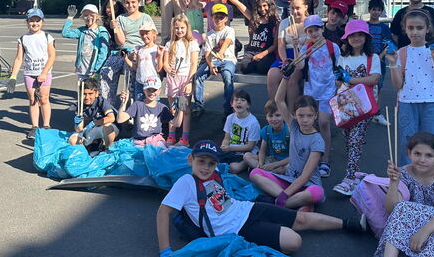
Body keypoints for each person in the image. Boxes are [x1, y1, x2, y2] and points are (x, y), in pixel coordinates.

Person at [156, 140, 364, 255]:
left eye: (211, 163)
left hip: (248, 208)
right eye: (201, 161)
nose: (206, 168)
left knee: (300, 220)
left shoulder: (215, 173)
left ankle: (349, 224)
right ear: (190, 159)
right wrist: (165, 250)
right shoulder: (185, 182)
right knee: (295, 241)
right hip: (237, 228)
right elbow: (163, 212)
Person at [249, 67, 325, 211]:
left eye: (309, 116)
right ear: (295, 114)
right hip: (289, 180)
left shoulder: (317, 141)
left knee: (317, 193)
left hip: (308, 183)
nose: (305, 120)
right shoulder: (294, 125)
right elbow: (278, 100)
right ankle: (294, 203)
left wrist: (284, 195)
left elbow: (304, 177)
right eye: (301, 115)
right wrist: (285, 77)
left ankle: (278, 203)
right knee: (255, 173)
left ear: (315, 116)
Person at [377, 132, 434, 257]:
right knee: (401, 208)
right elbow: (392, 210)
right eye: (417, 154)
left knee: (403, 208)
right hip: (411, 224)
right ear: (409, 153)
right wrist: (393, 182)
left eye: (429, 155)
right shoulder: (402, 173)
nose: (422, 160)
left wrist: (425, 230)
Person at [386, 9, 434, 164]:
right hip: (407, 103)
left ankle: (433, 179)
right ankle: (407, 181)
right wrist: (393, 64)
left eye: (419, 28)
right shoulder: (401, 52)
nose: (415, 32)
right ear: (405, 29)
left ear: (427, 29)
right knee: (407, 144)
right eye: (411, 28)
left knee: (433, 144)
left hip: (433, 103)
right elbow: (398, 85)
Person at [331, 20, 381, 196]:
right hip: (345, 105)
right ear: (347, 38)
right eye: (352, 35)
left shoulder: (372, 58)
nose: (356, 38)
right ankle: (355, 171)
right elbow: (339, 82)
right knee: (349, 140)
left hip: (364, 106)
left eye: (360, 34)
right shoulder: (343, 57)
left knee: (356, 139)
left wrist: (349, 79)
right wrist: (338, 78)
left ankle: (349, 178)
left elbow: (374, 79)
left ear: (366, 38)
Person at [297, 15, 341, 179]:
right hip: (310, 92)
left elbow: (338, 65)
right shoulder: (306, 48)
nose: (314, 33)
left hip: (328, 92)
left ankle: (325, 159)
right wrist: (296, 47)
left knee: (323, 123)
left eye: (316, 29)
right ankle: (311, 157)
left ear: (322, 29)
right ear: (307, 32)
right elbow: (300, 66)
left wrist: (337, 83)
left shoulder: (332, 47)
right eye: (310, 30)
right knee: (309, 125)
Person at [6, 8, 56, 139]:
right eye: (31, 21)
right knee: (33, 100)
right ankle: (34, 127)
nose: (35, 23)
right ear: (27, 22)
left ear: (42, 22)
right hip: (29, 74)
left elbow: (52, 56)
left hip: (44, 74)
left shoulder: (47, 37)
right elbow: (18, 59)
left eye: (37, 21)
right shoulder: (23, 39)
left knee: (44, 99)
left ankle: (46, 126)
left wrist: (44, 73)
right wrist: (13, 76)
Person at [214, 0, 279, 74]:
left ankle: (258, 65)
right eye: (259, 6)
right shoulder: (253, 18)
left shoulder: (274, 22)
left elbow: (274, 45)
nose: (262, 9)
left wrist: (261, 55)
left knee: (262, 68)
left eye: (265, 5)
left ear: (269, 5)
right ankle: (255, 65)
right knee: (244, 68)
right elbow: (238, 3)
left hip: (266, 53)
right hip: (251, 52)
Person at [109, 0, 155, 103]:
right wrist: (116, 29)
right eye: (127, 3)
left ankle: (132, 104)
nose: (130, 5)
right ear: (124, 4)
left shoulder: (146, 18)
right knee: (106, 72)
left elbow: (152, 38)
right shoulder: (120, 18)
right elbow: (121, 42)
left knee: (130, 72)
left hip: (139, 51)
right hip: (123, 51)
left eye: (133, 2)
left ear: (139, 2)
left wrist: (138, 51)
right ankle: (108, 104)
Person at [193, 4, 236, 116]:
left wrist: (220, 53)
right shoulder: (209, 34)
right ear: (212, 18)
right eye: (216, 17)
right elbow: (207, 53)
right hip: (213, 61)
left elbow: (227, 42)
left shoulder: (229, 30)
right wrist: (211, 65)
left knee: (227, 75)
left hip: (228, 60)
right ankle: (199, 105)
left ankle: (228, 108)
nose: (219, 19)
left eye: (221, 17)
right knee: (198, 75)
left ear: (226, 18)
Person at [163, 14, 200, 147]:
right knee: (173, 109)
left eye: (182, 28)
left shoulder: (192, 43)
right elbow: (165, 63)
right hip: (173, 80)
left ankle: (185, 137)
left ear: (187, 28)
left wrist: (190, 82)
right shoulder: (169, 44)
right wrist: (168, 69)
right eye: (177, 28)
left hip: (185, 80)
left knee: (184, 108)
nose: (179, 31)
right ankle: (171, 134)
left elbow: (194, 64)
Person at [266, 0, 308, 108]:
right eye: (292, 8)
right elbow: (281, 45)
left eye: (298, 8)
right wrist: (285, 60)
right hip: (286, 56)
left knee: (292, 79)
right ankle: (276, 112)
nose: (294, 11)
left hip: (302, 56)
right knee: (272, 75)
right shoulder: (285, 22)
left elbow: (310, 45)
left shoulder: (310, 22)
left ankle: (291, 114)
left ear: (305, 7)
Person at [116, 76, 173, 147]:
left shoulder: (162, 107)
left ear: (159, 90)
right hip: (138, 142)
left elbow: (176, 123)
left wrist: (180, 111)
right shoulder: (137, 105)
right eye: (149, 90)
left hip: (155, 141)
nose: (151, 93)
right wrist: (123, 103)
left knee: (160, 154)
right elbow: (120, 119)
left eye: (154, 90)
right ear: (144, 90)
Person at [62, 4, 110, 81]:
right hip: (82, 70)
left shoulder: (101, 32)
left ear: (97, 16)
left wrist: (97, 70)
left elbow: (103, 54)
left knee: (93, 92)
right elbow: (65, 33)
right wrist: (70, 18)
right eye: (85, 15)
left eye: (91, 15)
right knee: (82, 91)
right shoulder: (82, 31)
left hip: (94, 71)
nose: (88, 18)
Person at [68, 78, 118, 151]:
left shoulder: (101, 101)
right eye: (84, 94)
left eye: (90, 94)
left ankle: (107, 148)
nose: (87, 97)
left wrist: (94, 123)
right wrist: (77, 124)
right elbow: (79, 129)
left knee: (108, 128)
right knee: (72, 140)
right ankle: (89, 148)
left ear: (96, 93)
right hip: (90, 130)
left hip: (103, 129)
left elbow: (111, 118)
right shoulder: (80, 105)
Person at [243, 100, 290, 175]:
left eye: (277, 115)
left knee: (289, 167)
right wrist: (261, 163)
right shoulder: (266, 130)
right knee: (247, 156)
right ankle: (266, 172)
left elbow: (293, 156)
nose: (274, 119)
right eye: (270, 116)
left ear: (284, 116)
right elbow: (262, 150)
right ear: (266, 117)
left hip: (285, 162)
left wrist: (274, 165)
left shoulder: (289, 131)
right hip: (271, 159)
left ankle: (265, 173)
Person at [220, 90, 261, 173]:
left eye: (242, 100)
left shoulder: (253, 122)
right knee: (213, 157)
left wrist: (230, 148)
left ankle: (246, 164)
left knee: (234, 168)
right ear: (231, 104)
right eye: (236, 100)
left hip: (246, 152)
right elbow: (226, 138)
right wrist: (224, 146)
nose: (239, 102)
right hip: (232, 150)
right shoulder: (230, 118)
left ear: (248, 105)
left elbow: (250, 146)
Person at [367, 0, 392, 126]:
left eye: (378, 10)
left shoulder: (384, 27)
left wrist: (380, 56)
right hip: (365, 61)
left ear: (381, 11)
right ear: (369, 10)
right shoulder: (364, 25)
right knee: (365, 87)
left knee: (378, 87)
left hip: (380, 62)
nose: (375, 12)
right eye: (373, 10)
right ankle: (366, 112)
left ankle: (376, 112)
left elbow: (388, 45)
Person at [125, 20, 163, 102]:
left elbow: (159, 69)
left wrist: (160, 55)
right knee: (139, 104)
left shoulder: (157, 49)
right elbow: (136, 67)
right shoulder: (139, 50)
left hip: (153, 84)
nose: (144, 36)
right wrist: (126, 59)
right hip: (140, 83)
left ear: (153, 34)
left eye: (147, 33)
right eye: (142, 34)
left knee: (153, 105)